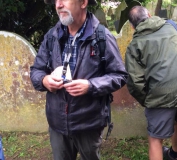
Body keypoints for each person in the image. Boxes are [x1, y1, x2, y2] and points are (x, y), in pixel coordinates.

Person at [30, 0, 128, 159]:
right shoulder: (52, 36)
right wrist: (44, 80)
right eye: (56, 0)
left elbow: (119, 75)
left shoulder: (101, 37)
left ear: (83, 2)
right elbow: (36, 70)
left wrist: (91, 85)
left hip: (89, 124)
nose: (58, 4)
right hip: (57, 125)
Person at [125, 6, 177, 160]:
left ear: (132, 26)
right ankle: (173, 155)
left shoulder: (135, 45)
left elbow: (135, 82)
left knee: (155, 139)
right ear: (150, 15)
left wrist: (148, 101)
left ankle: (170, 154)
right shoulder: (170, 26)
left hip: (162, 92)